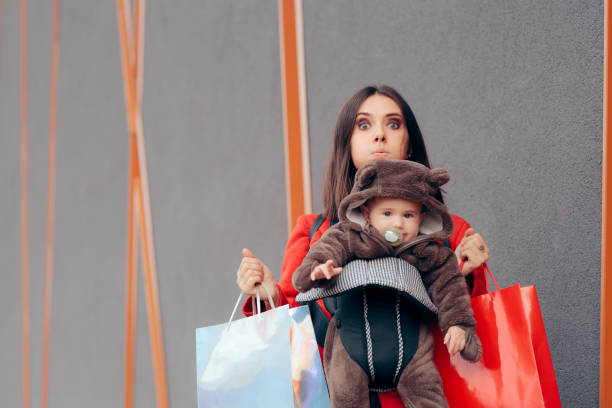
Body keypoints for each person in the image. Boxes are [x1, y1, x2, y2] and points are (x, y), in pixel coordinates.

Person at [236, 85, 490, 407]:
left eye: (394, 124)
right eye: (364, 124)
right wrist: (269, 296)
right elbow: (295, 346)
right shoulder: (315, 232)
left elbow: (476, 324)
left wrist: (471, 270)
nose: (380, 135)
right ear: (348, 143)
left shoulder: (446, 232)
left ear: (409, 142)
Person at [292, 158, 481, 408]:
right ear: (368, 213)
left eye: (408, 215)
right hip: (350, 348)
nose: (398, 223)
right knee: (346, 396)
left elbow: (450, 288)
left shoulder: (427, 252)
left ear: (422, 218)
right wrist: (317, 269)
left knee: (429, 395)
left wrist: (457, 325)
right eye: (387, 213)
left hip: (412, 352)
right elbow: (325, 251)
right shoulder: (349, 237)